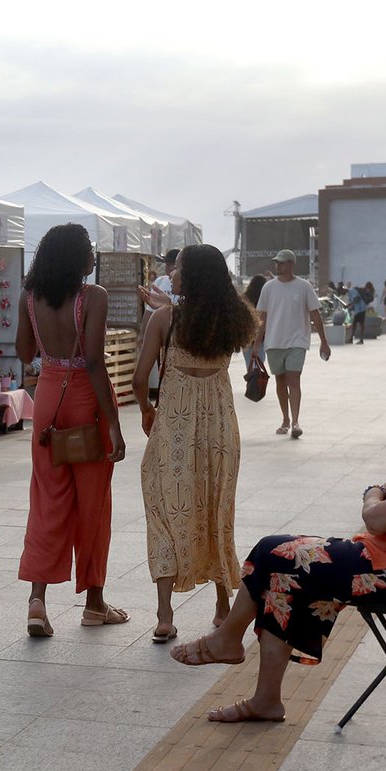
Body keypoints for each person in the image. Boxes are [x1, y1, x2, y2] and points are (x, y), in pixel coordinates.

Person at [169, 355, 386, 722]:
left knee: (271, 551)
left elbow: (376, 512)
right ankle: (265, 700)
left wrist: (378, 501)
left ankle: (227, 641)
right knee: (280, 578)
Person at [133, 245, 258, 643]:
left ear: (193, 275)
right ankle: (223, 606)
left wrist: (146, 410)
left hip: (175, 424)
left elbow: (139, 378)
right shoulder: (236, 318)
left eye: (179, 268)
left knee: (166, 508)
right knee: (216, 508)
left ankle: (165, 615)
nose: (173, 273)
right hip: (221, 426)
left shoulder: (164, 319)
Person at [15, 223, 128, 637]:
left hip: (47, 398)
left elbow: (24, 351)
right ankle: (94, 604)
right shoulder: (92, 297)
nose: (93, 257)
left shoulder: (31, 298)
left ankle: (37, 600)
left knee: (47, 501)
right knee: (93, 504)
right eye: (89, 251)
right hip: (85, 399)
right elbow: (95, 361)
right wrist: (112, 424)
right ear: (78, 257)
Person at [254, 249, 330, 439]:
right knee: (280, 381)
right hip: (273, 342)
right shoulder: (268, 288)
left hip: (297, 340)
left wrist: (324, 341)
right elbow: (262, 317)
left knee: (294, 380)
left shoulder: (304, 286)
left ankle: (296, 421)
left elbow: (315, 314)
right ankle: (285, 419)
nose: (278, 266)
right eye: (276, 263)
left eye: (282, 263)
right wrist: (256, 344)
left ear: (291, 264)